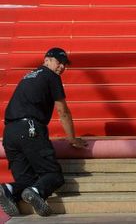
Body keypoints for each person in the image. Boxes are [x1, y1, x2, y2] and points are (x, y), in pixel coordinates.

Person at [0, 48, 88, 217]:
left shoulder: (28, 76)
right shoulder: (50, 76)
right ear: (46, 60)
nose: (62, 67)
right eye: (58, 62)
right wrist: (72, 139)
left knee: (25, 180)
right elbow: (63, 111)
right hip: (30, 129)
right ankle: (36, 191)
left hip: (10, 132)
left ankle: (7, 189)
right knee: (53, 175)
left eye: (64, 64)